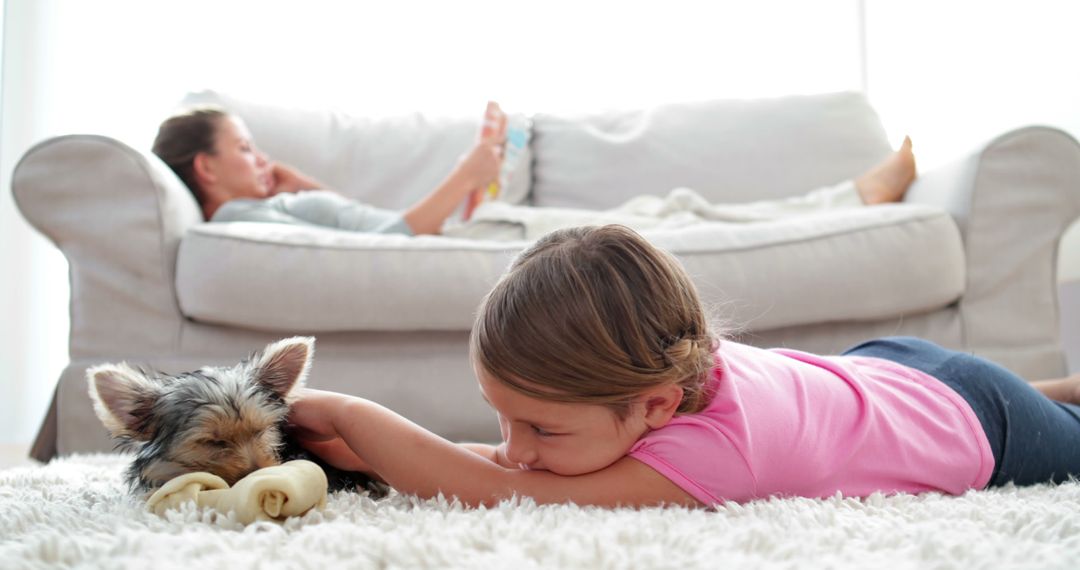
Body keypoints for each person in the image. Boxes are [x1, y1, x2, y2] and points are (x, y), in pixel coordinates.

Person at [287, 224, 1080, 508]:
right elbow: (489, 461)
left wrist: (354, 414)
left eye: (541, 426)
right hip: (891, 371)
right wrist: (340, 455)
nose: (516, 445)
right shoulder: (654, 368)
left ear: (658, 409)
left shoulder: (716, 458)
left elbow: (500, 491)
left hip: (985, 422)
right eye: (505, 417)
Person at [151, 105, 919, 241]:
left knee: (671, 209)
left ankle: (847, 199)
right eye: (245, 150)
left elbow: (350, 230)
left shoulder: (267, 213)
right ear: (204, 168)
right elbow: (390, 235)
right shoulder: (243, 225)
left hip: (478, 230)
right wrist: (469, 170)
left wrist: (302, 186)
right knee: (670, 214)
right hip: (476, 236)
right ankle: (850, 199)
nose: (261, 161)